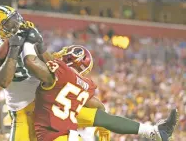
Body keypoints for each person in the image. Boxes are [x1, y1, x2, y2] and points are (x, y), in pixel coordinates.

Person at [0, 5, 108, 141]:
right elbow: (3, 80)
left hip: (49, 109)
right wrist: (14, 47)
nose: (17, 23)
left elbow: (53, 67)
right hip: (23, 114)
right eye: (11, 22)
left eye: (16, 18)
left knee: (95, 109)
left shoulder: (28, 37)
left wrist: (40, 44)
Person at [22, 43, 178, 141]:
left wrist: (28, 40)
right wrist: (103, 124)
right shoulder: (86, 84)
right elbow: (98, 107)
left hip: (52, 131)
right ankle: (153, 132)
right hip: (69, 127)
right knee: (96, 116)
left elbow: (35, 60)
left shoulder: (60, 73)